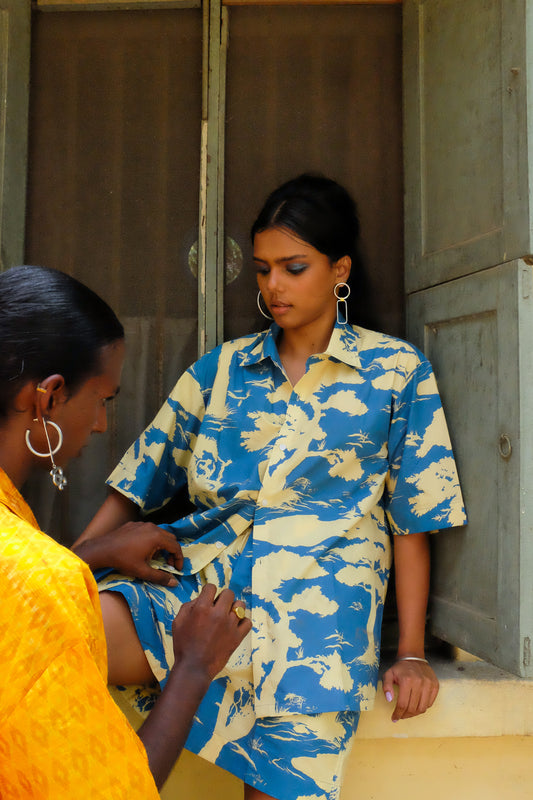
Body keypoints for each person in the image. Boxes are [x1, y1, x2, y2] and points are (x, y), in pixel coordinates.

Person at [76, 174, 467, 800]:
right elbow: (136, 483)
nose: (273, 287)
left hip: (315, 636)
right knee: (64, 627)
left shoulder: (398, 373)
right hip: (201, 597)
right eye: (262, 270)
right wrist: (61, 572)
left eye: (293, 267)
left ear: (339, 269)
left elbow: (412, 520)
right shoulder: (223, 369)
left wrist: (414, 651)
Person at [0, 264, 251, 799]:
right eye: (103, 400)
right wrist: (192, 667)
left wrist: (87, 554)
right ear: (47, 398)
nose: (100, 424)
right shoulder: (40, 578)